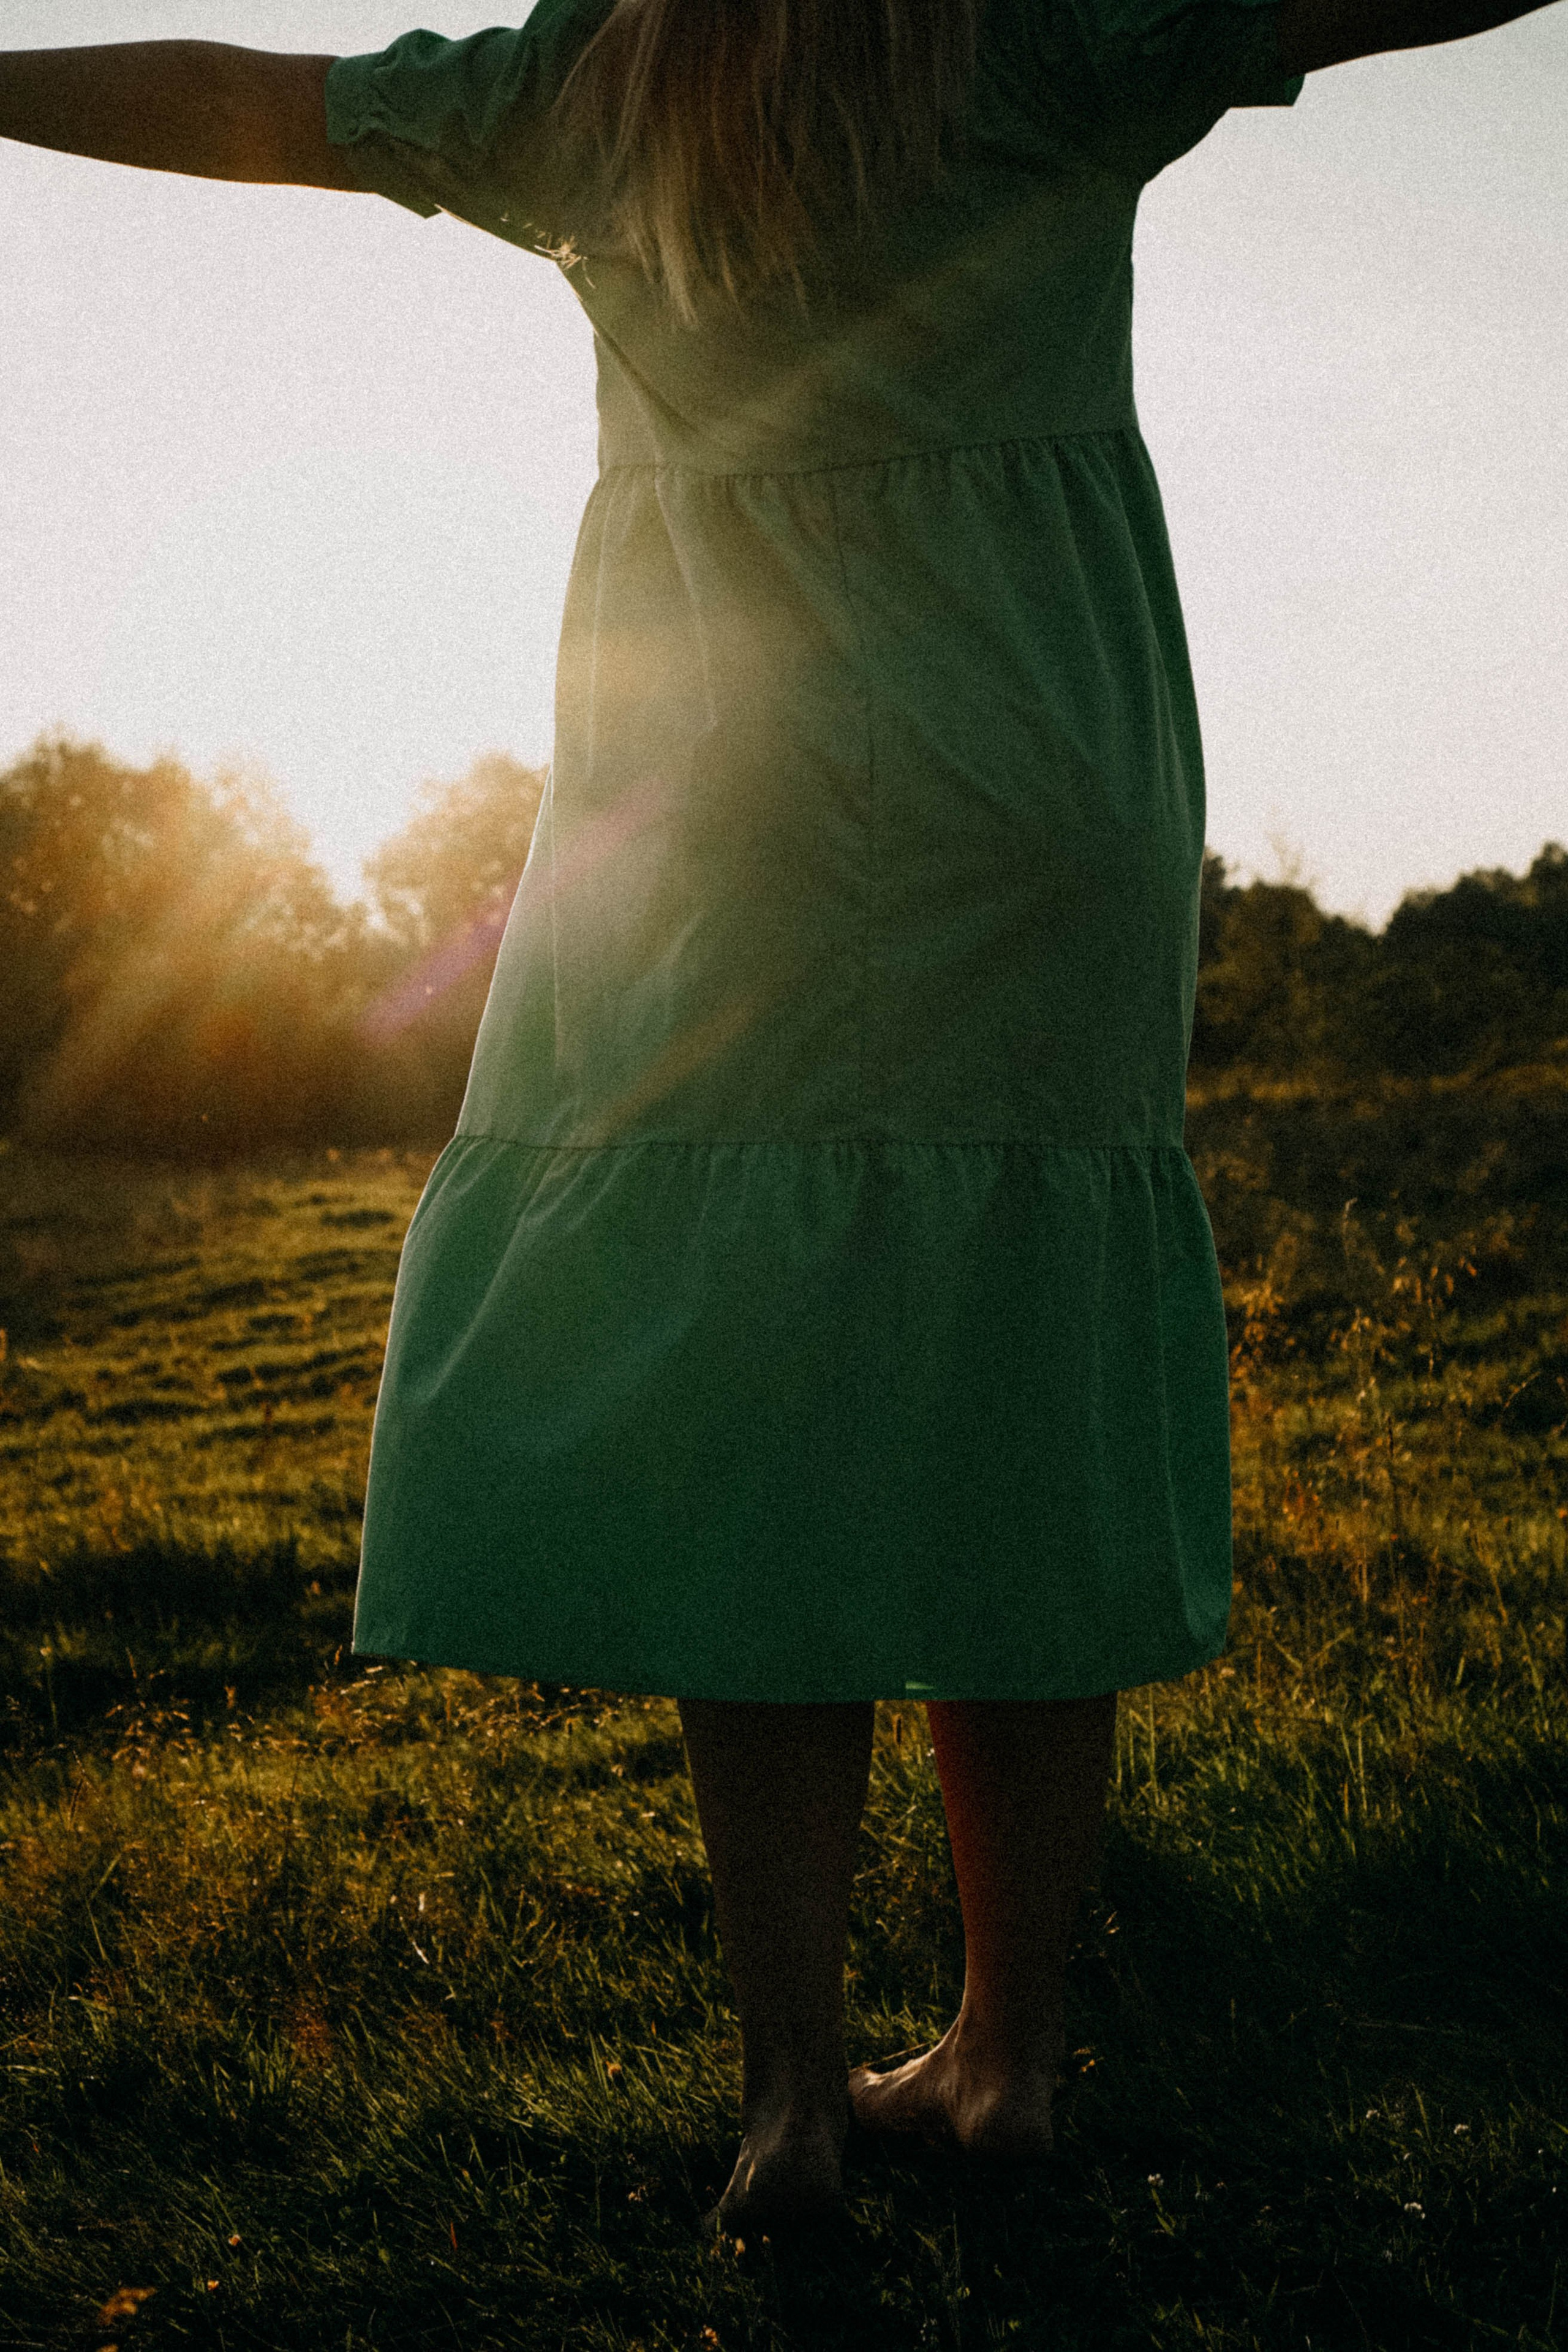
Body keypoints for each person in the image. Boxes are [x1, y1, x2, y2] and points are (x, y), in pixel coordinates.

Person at [2, 0, 1553, 2236]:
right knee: (1017, 1366)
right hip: (1040, 770)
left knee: (759, 1410)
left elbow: (245, 101)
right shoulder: (1037, 46)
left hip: (724, 793)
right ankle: (1009, 2069)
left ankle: (796, 2105)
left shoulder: (593, 84)